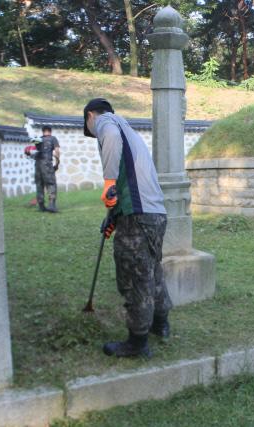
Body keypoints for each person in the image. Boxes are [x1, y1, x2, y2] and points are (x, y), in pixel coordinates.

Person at [83, 98, 172, 358]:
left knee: (135, 278)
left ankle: (137, 342)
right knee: (152, 270)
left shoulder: (106, 123)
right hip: (155, 214)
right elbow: (131, 180)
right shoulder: (129, 131)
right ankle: (161, 323)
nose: (92, 132)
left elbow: (108, 137)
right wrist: (114, 215)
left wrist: (108, 181)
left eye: (89, 126)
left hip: (138, 216)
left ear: (90, 116)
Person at [24, 125, 60, 213]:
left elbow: (35, 151)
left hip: (37, 164)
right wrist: (57, 162)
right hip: (47, 163)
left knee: (39, 184)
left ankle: (41, 206)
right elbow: (57, 151)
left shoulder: (38, 140)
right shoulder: (53, 138)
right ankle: (51, 205)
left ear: (43, 131)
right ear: (50, 131)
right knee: (51, 183)